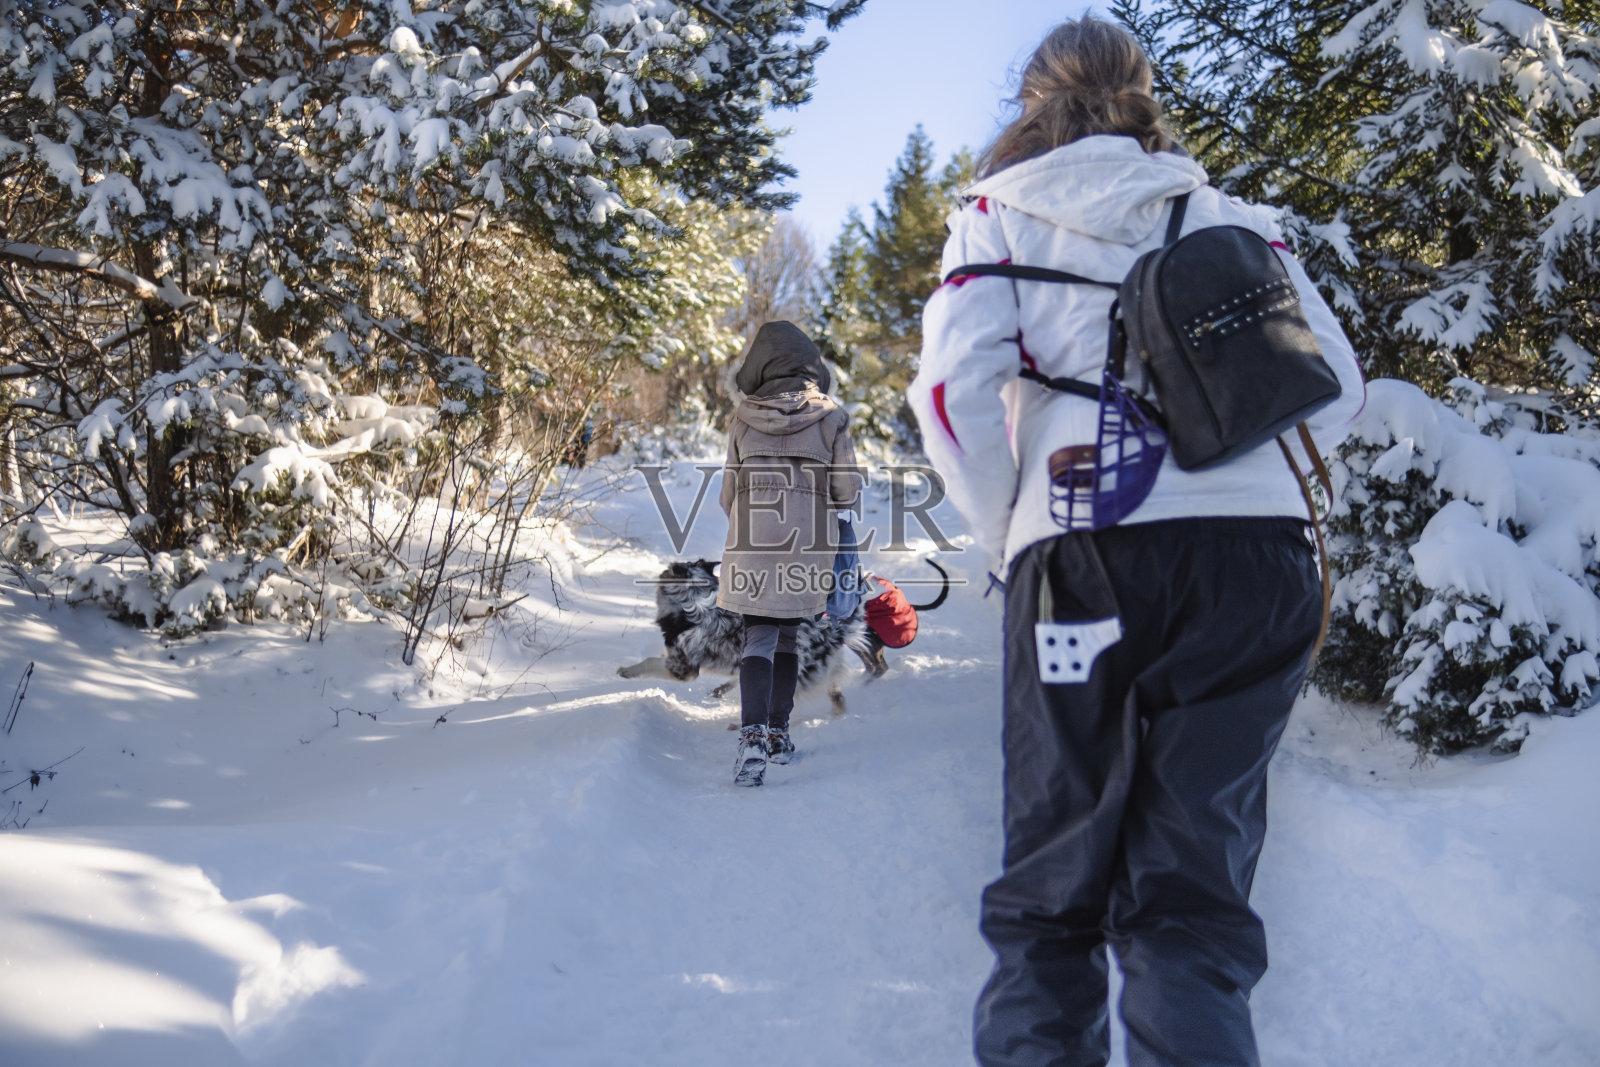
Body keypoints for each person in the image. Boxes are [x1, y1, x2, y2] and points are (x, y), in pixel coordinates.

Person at [908, 16, 1365, 1067]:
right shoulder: (1228, 214)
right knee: (1190, 896)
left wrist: (1006, 536)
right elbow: (1331, 385)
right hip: (1259, 565)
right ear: (1143, 95)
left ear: (1031, 104)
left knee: (1053, 888)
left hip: (1085, 549)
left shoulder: (998, 215)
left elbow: (948, 398)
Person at [719, 321, 860, 787]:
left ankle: (752, 737)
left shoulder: (743, 418)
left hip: (752, 542)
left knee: (758, 635)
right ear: (811, 366)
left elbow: (727, 495)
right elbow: (846, 492)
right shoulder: (832, 418)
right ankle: (778, 734)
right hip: (808, 544)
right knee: (787, 638)